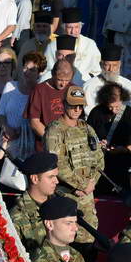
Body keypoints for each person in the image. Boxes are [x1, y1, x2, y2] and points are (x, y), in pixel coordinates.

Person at [44, 86, 104, 240]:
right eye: (73, 105)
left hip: (87, 196)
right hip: (66, 194)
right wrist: (81, 185)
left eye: (80, 106)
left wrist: (91, 183)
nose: (77, 109)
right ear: (64, 104)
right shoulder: (55, 130)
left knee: (89, 239)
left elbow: (99, 159)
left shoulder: (87, 128)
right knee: (65, 239)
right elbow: (57, 163)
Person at [87, 82, 131, 193]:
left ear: (123, 99)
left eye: (117, 106)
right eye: (110, 107)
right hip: (100, 167)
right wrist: (98, 144)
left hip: (124, 166)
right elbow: (87, 137)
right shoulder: (96, 113)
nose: (113, 110)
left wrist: (123, 149)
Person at [10, 151, 59, 255]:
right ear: (35, 179)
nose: (56, 181)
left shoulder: (60, 205)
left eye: (56, 176)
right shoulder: (18, 216)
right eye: (51, 177)